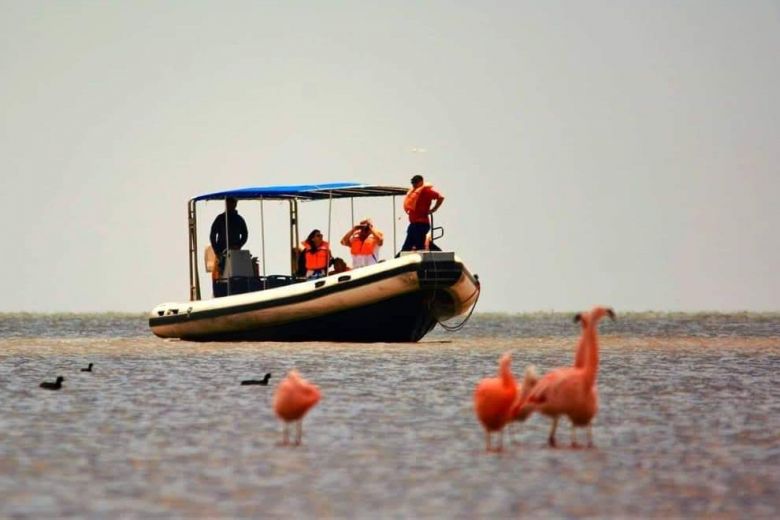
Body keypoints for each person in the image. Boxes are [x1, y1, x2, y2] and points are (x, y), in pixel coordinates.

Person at [401, 174, 444, 251]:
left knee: (418, 244)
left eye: (415, 182)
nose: (414, 184)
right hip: (414, 224)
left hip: (421, 224)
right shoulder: (413, 193)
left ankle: (437, 253)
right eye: (413, 182)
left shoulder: (426, 191)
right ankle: (399, 257)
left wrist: (434, 209)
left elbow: (441, 197)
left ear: (421, 182)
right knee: (410, 244)